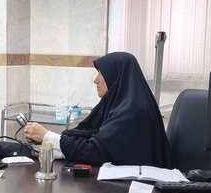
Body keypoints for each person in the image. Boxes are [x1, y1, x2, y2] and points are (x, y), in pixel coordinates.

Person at [24, 52, 173, 168]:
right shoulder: (117, 104)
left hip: (141, 191)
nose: (96, 80)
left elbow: (93, 150)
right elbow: (89, 135)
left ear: (116, 76)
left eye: (101, 73)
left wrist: (47, 136)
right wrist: (48, 144)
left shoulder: (132, 112)